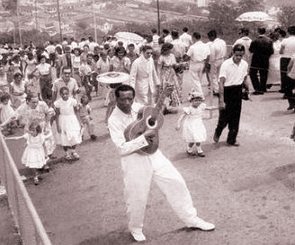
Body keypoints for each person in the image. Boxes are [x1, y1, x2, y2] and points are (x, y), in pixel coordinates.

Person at [108, 84, 215, 242]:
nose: (127, 102)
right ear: (115, 98)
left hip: (153, 153)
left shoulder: (139, 108)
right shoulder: (113, 120)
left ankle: (191, 219)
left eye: (130, 98)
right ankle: (135, 228)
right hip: (133, 160)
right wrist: (144, 138)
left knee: (176, 182)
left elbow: (154, 117)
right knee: (137, 196)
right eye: (123, 99)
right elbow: (121, 149)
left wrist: (162, 99)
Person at [213, 44, 250, 146]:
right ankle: (218, 130)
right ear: (233, 53)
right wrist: (221, 99)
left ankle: (231, 139)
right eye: (237, 55)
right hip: (227, 91)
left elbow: (245, 78)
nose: (238, 57)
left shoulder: (244, 64)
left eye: (241, 55)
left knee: (235, 117)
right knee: (224, 117)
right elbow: (221, 82)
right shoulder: (226, 64)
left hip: (237, 91)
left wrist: (247, 90)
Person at [176, 90, 207, 157]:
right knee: (192, 139)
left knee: (198, 137)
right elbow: (182, 116)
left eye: (199, 100)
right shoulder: (189, 109)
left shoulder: (201, 106)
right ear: (191, 101)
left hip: (198, 124)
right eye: (195, 100)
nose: (197, 102)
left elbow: (206, 109)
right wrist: (178, 124)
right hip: (191, 125)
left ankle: (199, 150)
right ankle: (189, 149)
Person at [54, 86, 82, 161]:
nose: (65, 95)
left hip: (72, 119)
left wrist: (79, 122)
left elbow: (76, 112)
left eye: (66, 94)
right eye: (63, 94)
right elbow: (57, 114)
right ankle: (67, 153)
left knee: (74, 135)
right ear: (60, 94)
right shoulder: (58, 103)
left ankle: (73, 151)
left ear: (69, 94)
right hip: (63, 120)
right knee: (64, 137)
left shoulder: (73, 101)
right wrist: (57, 125)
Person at [249, 27, 274, 95]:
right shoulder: (269, 41)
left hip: (256, 59)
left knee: (253, 73)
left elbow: (250, 50)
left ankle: (257, 88)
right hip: (265, 59)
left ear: (258, 32)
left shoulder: (254, 40)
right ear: (265, 32)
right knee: (264, 74)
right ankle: (263, 87)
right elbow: (271, 51)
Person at [184, 32, 210, 96]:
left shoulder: (192, 47)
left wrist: (184, 57)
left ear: (194, 38)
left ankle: (200, 95)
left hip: (194, 64)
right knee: (199, 79)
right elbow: (208, 55)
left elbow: (187, 57)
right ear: (200, 37)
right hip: (202, 63)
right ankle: (194, 91)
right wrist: (206, 64)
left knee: (195, 80)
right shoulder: (205, 45)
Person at [207, 30, 227, 96]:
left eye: (209, 37)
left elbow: (212, 56)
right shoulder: (222, 42)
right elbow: (225, 50)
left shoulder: (213, 45)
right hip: (222, 59)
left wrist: (209, 63)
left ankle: (216, 90)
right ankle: (221, 88)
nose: (209, 39)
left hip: (215, 61)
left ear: (212, 37)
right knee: (220, 75)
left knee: (213, 76)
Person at [280, 26, 295, 107]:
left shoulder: (285, 40)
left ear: (288, 32)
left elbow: (281, 51)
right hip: (294, 58)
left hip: (285, 58)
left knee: (284, 76)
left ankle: (286, 92)